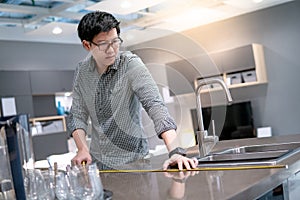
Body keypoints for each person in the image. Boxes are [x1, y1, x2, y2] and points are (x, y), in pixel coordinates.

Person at [66, 11, 198, 170]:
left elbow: (154, 105)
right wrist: (82, 149)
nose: (111, 50)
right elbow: (77, 114)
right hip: (98, 164)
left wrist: (176, 151)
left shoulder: (130, 64)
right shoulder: (82, 71)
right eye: (102, 44)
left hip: (134, 163)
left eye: (115, 41)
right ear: (87, 45)